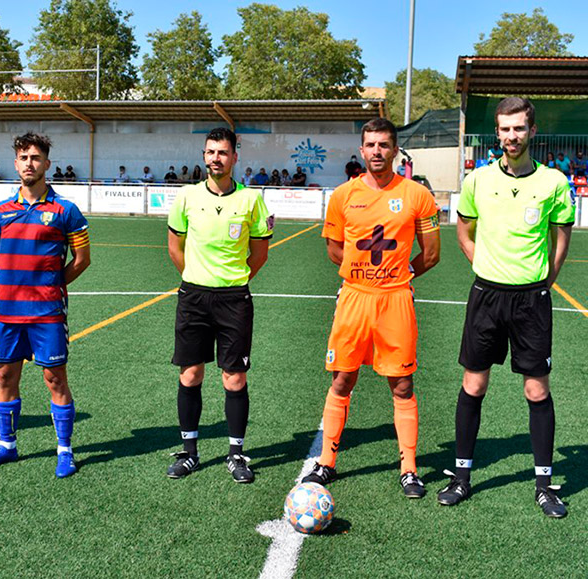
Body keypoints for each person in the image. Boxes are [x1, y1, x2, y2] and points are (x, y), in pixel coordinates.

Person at [437, 97, 574, 518]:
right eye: (504, 129)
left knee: (536, 389)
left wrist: (545, 280)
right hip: (486, 296)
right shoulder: (478, 180)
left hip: (532, 300)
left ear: (532, 131)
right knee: (474, 386)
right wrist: (482, 264)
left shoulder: (553, 182)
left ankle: (544, 485)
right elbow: (463, 228)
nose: (511, 136)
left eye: (519, 129)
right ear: (496, 133)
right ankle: (461, 477)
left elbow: (561, 237)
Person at [301, 117, 441, 499]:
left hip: (396, 300)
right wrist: (361, 271)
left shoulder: (417, 195)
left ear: (395, 150)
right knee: (342, 379)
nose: (377, 151)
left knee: (402, 384)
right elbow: (333, 249)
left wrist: (399, 274)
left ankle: (409, 469)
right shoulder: (343, 195)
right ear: (361, 150)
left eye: (384, 145)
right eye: (370, 145)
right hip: (354, 298)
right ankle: (327, 462)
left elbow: (431, 255)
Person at [0, 132, 91, 478]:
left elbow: (82, 259)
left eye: (36, 157)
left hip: (47, 313)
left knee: (54, 378)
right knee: (5, 375)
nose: (30, 163)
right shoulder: (1, 211)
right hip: (8, 311)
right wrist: (18, 280)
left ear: (47, 164)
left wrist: (50, 285)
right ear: (16, 164)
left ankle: (65, 450)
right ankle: (7, 446)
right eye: (24, 157)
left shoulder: (66, 211)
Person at [166, 127, 273, 483]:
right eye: (210, 152)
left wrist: (232, 280)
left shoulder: (251, 200)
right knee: (190, 373)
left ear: (234, 158)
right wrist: (197, 277)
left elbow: (259, 254)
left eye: (223, 152)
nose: (216, 158)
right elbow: (175, 248)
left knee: (234, 377)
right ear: (203, 155)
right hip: (193, 296)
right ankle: (190, 452)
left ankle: (236, 454)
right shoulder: (185, 197)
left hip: (234, 299)